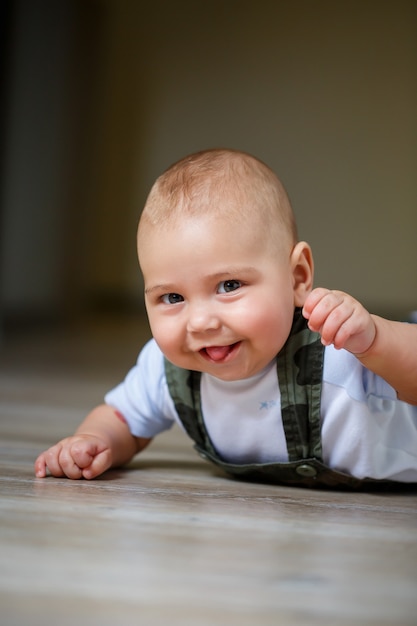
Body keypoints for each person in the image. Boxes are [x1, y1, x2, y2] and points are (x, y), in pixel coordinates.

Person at [34, 149, 417, 488]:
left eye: (229, 285)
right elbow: (122, 417)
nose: (200, 322)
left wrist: (376, 340)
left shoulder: (337, 341)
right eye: (172, 297)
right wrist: (92, 440)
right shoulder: (165, 370)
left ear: (298, 277)